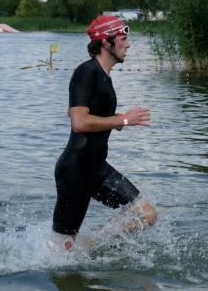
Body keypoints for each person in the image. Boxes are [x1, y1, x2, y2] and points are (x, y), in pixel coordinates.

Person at [51, 15, 157, 251]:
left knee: (146, 213)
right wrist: (123, 120)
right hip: (76, 169)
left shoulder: (103, 76)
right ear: (106, 43)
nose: (128, 44)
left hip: (96, 169)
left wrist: (112, 120)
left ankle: (91, 245)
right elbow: (79, 122)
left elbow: (74, 110)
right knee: (61, 248)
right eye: (123, 39)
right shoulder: (86, 71)